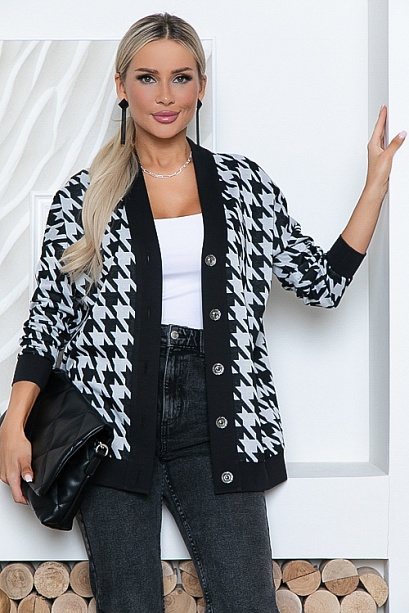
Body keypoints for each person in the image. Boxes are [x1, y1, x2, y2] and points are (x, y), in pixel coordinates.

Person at [0, 12, 405, 613]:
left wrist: (374, 185)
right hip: (112, 423)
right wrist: (15, 420)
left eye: (181, 77)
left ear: (202, 86)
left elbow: (321, 285)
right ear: (121, 85)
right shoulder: (84, 195)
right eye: (147, 78)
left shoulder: (244, 186)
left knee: (247, 601)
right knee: (129, 603)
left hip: (220, 418)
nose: (165, 96)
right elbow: (49, 319)